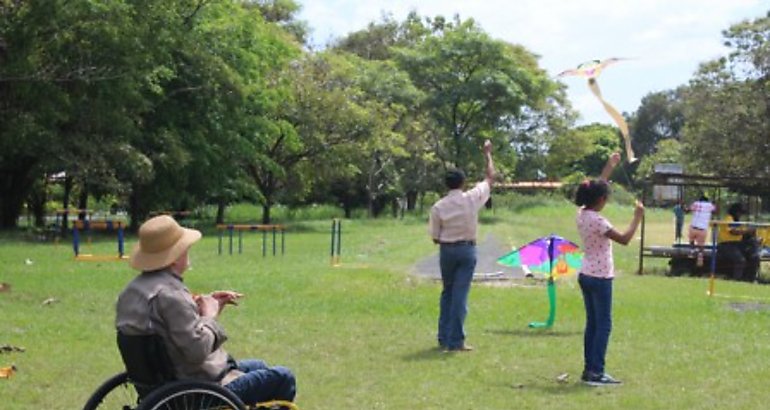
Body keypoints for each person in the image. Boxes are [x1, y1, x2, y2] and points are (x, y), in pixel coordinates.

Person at [115, 215, 296, 406]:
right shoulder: (171, 295)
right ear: (175, 257)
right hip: (194, 390)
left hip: (162, 385)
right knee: (283, 377)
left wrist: (202, 307)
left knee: (258, 366)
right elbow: (196, 350)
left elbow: (169, 331)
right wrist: (210, 315)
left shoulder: (132, 292)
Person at [575, 152, 644, 386]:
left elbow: (597, 187)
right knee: (603, 325)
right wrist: (637, 218)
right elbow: (624, 239)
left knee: (592, 324)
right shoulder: (599, 221)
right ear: (601, 199)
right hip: (601, 277)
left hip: (586, 274)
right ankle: (596, 373)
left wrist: (610, 166)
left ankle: (589, 370)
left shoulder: (582, 214)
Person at [428, 140, 495, 352]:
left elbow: (435, 237)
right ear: (463, 182)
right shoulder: (471, 198)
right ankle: (456, 340)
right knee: (460, 295)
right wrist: (487, 154)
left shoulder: (438, 206)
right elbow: (490, 177)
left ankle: (443, 336)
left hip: (447, 250)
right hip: (467, 249)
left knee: (447, 292)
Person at [717, 203, 760, 282]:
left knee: (754, 257)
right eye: (740, 213)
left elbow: (745, 233)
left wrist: (752, 233)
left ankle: (751, 279)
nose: (740, 215)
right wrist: (747, 231)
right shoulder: (728, 219)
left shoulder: (738, 221)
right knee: (740, 260)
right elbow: (733, 231)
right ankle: (737, 280)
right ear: (735, 212)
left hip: (737, 245)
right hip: (726, 245)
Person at [688, 194, 716, 267]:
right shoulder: (710, 205)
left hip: (693, 227)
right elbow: (715, 210)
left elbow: (689, 209)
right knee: (701, 245)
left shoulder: (696, 204)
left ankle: (692, 250)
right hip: (703, 228)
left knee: (691, 239)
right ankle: (700, 255)